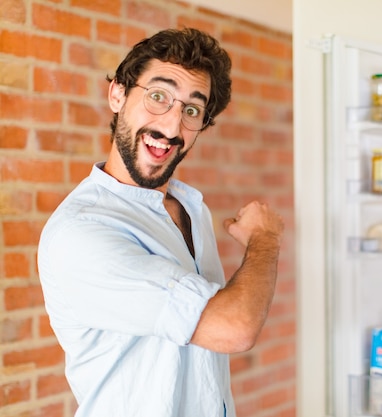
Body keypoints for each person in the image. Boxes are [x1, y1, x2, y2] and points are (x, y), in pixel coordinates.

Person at [37, 28, 284, 417]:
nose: (171, 127)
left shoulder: (190, 207)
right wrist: (265, 239)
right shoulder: (81, 231)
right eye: (158, 97)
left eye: (191, 110)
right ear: (117, 94)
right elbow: (235, 327)